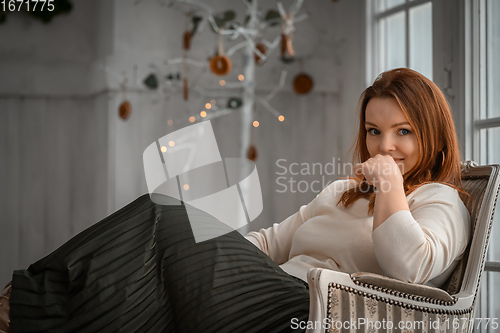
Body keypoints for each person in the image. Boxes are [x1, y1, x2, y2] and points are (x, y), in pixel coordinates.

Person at [1, 68, 470, 333]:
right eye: (374, 131)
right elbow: (269, 244)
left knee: (162, 212)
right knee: (152, 276)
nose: (385, 146)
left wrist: (389, 184)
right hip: (264, 291)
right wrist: (205, 252)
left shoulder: (442, 201)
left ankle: (17, 307)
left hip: (308, 312)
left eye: (403, 131)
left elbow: (412, 270)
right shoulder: (343, 193)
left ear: (432, 132)